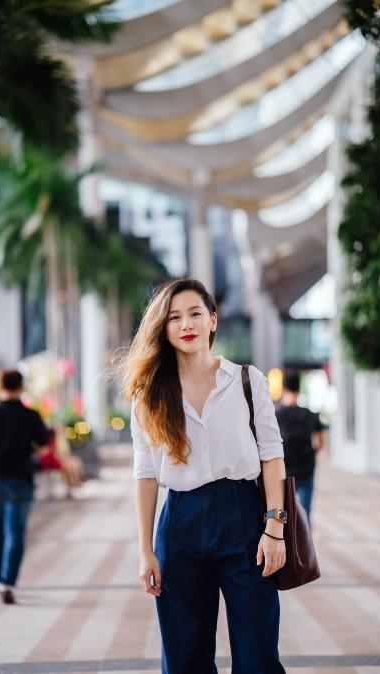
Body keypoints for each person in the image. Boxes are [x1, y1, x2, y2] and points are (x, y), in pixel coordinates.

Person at [123, 278, 287, 674]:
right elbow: (145, 475)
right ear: (163, 328)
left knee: (258, 655)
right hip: (180, 523)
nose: (186, 324)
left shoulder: (248, 381)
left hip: (245, 518)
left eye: (195, 313)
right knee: (184, 657)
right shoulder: (149, 395)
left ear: (213, 321)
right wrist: (146, 550)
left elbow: (272, 457)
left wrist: (275, 527)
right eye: (174, 317)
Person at [0, 369, 49, 604]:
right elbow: (43, 449)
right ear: (21, 387)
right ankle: (8, 582)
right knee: (16, 533)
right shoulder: (30, 415)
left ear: (0, 385)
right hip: (21, 480)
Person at [275, 370, 326, 526]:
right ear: (299, 388)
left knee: (281, 515)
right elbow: (319, 443)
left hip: (283, 473)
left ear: (284, 388)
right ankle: (305, 549)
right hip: (306, 470)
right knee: (305, 516)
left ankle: (284, 544)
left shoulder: (276, 415)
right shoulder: (310, 414)